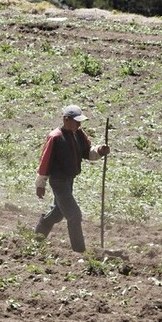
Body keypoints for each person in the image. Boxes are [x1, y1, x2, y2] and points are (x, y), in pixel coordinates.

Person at [34, 104, 109, 252]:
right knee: (74, 215)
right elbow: (45, 162)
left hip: (69, 180)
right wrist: (40, 183)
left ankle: (37, 237)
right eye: (76, 121)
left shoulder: (78, 134)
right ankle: (79, 251)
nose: (79, 124)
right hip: (58, 181)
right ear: (66, 120)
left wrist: (100, 150)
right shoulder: (55, 137)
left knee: (58, 213)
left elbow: (87, 152)